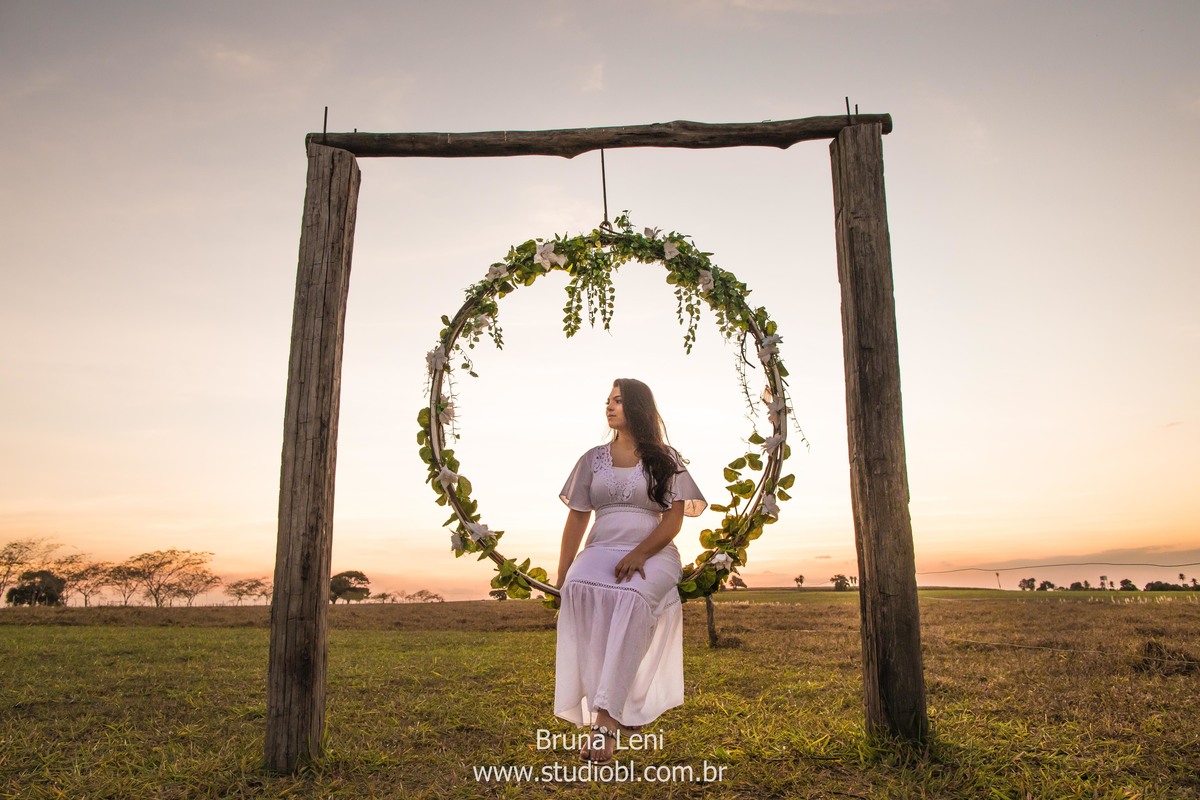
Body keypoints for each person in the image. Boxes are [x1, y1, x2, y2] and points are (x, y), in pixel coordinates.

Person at [554, 378, 706, 764]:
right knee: (579, 589)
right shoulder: (592, 459)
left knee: (634, 599)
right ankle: (609, 705)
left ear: (636, 407)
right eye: (607, 400)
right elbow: (576, 521)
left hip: (653, 551)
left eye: (618, 401)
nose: (609, 407)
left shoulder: (665, 458)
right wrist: (562, 574)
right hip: (601, 548)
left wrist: (640, 553)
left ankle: (605, 722)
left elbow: (673, 524)